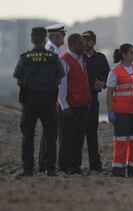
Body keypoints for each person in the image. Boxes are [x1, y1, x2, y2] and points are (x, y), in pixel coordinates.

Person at [13, 27, 65, 176]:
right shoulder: (53, 57)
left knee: (28, 135)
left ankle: (27, 169)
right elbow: (59, 79)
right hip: (48, 99)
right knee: (50, 134)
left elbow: (19, 81)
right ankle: (50, 169)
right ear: (44, 39)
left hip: (29, 100)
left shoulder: (25, 57)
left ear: (31, 39)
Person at [106, 43, 133, 177]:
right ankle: (118, 169)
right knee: (121, 141)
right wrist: (110, 111)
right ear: (124, 55)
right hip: (122, 112)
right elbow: (109, 92)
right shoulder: (114, 72)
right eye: (132, 53)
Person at [58, 33, 91, 175]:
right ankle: (64, 166)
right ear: (71, 44)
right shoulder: (65, 60)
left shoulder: (81, 59)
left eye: (83, 43)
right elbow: (61, 86)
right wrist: (65, 106)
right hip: (70, 107)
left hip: (82, 105)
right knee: (66, 138)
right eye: (80, 43)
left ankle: (75, 166)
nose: (83, 45)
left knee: (78, 138)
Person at [38, 23, 66, 172]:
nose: (64, 38)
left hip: (49, 95)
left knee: (48, 132)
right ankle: (46, 164)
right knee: (50, 132)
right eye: (62, 35)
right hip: (49, 96)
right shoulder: (50, 51)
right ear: (55, 36)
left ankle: (44, 163)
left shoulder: (54, 50)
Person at [82, 30, 110, 172]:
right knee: (77, 133)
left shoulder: (100, 58)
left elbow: (108, 77)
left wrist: (102, 83)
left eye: (89, 40)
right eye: (84, 40)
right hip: (77, 100)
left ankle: (95, 164)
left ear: (94, 42)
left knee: (92, 132)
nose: (86, 43)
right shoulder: (77, 57)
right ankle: (74, 164)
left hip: (93, 99)